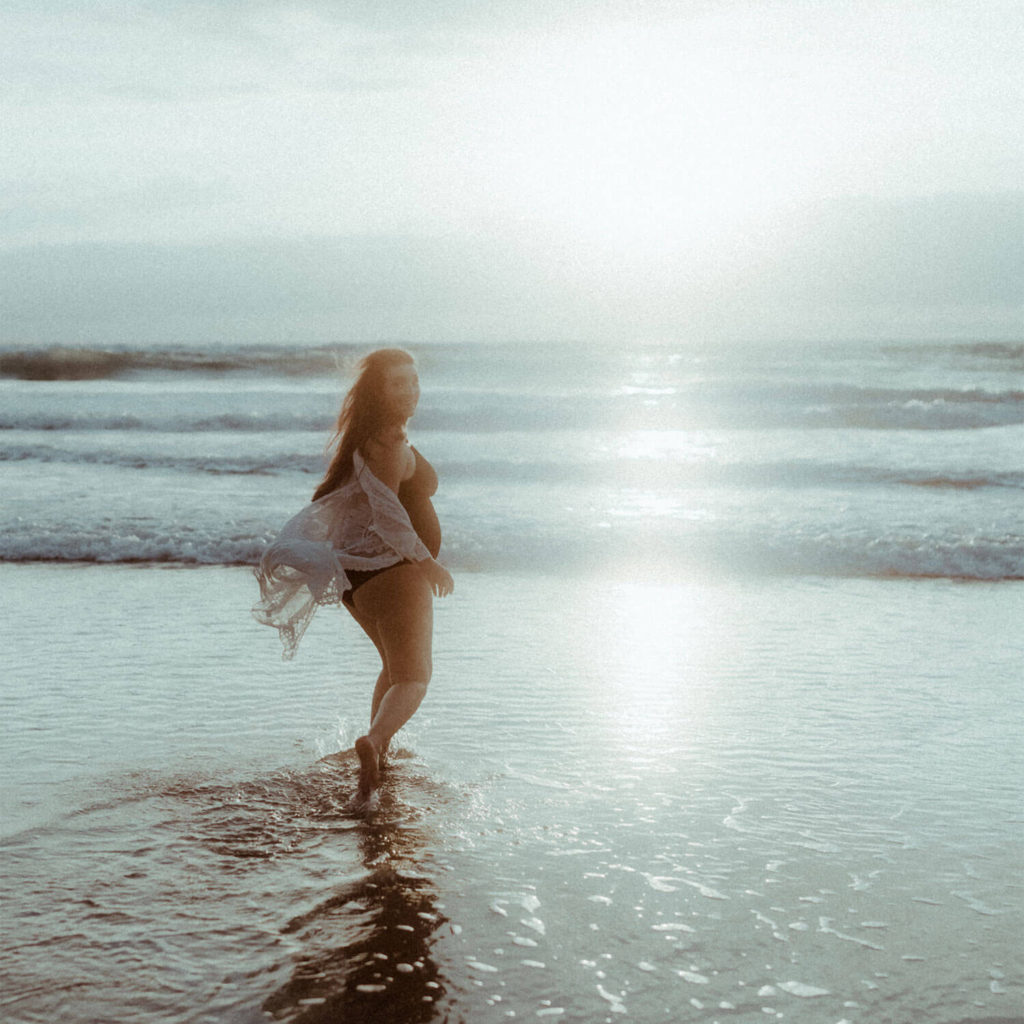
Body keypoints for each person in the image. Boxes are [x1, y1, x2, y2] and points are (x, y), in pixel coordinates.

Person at [253, 348, 453, 810]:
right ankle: (376, 741)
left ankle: (374, 763)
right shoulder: (386, 441)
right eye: (398, 383)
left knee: (394, 667)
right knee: (416, 677)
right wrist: (426, 562)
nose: (410, 391)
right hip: (395, 573)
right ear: (378, 393)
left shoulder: (370, 437)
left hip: (363, 580)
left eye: (414, 381)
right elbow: (387, 514)